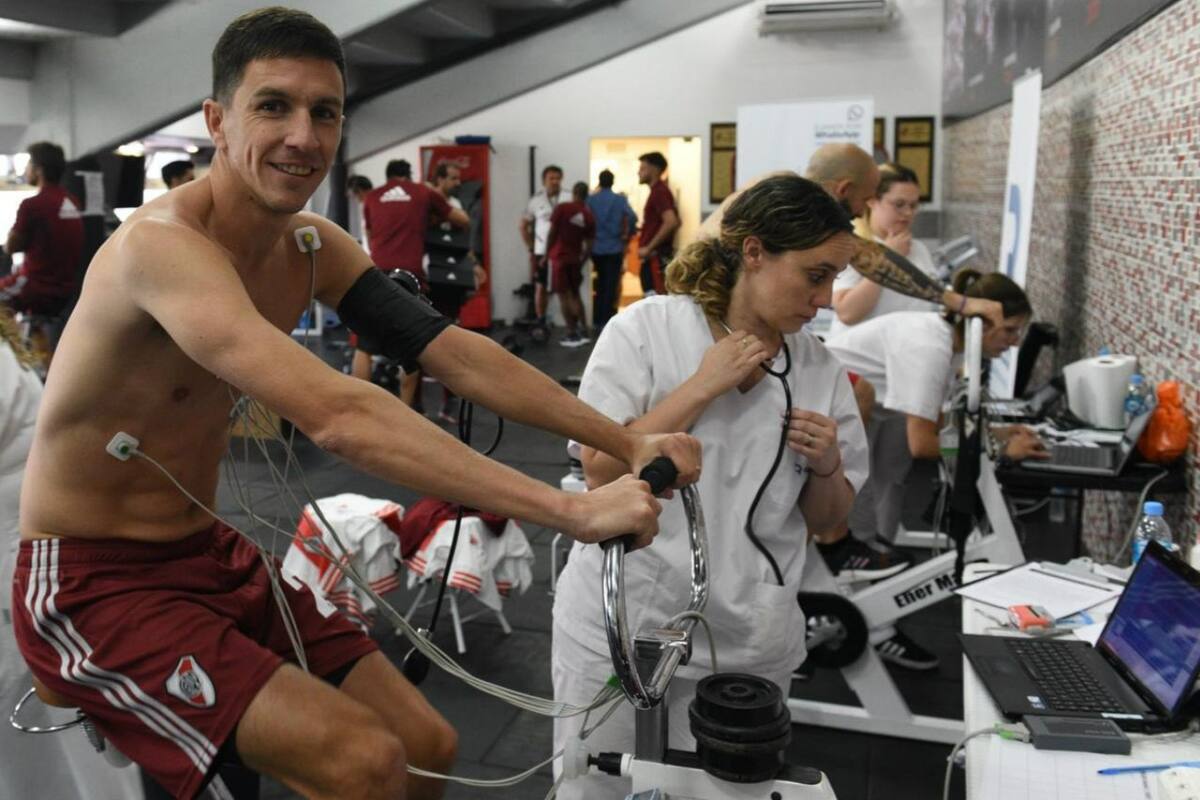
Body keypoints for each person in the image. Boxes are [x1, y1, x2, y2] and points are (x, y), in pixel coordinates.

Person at [10, 9, 700, 800]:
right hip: (93, 582)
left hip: (205, 552)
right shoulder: (159, 249)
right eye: (273, 106)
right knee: (362, 764)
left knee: (425, 745)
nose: (303, 135)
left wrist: (625, 436)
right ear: (215, 121)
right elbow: (339, 414)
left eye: (325, 112)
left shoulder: (311, 247)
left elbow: (454, 352)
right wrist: (568, 510)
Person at [552, 174, 869, 799]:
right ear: (754, 253)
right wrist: (702, 386)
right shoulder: (646, 330)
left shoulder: (817, 368)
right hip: (626, 625)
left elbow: (830, 520)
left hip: (752, 640)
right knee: (600, 790)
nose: (827, 298)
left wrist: (829, 463)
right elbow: (598, 469)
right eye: (815, 275)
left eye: (835, 278)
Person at [823, 269, 1044, 669]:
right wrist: (998, 447)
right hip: (835, 406)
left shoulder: (950, 343)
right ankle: (869, 622)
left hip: (868, 407)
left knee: (885, 493)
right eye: (1009, 331)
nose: (1013, 344)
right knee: (861, 510)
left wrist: (995, 432)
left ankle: (874, 613)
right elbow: (924, 443)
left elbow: (935, 421)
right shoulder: (929, 346)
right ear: (977, 322)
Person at [697, 144, 1003, 328]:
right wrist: (959, 303)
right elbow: (874, 261)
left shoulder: (792, 201)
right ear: (843, 190)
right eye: (864, 199)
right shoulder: (788, 199)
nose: (860, 212)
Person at [356, 158, 469, 402]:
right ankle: (407, 412)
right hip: (409, 275)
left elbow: (369, 234)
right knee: (410, 345)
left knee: (364, 346)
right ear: (408, 175)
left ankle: (359, 406)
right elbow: (463, 220)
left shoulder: (372, 197)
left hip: (375, 273)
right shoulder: (423, 192)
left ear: (388, 177)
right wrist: (434, 220)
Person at [829, 162, 939, 337]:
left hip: (907, 353)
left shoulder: (919, 249)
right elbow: (847, 313)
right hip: (860, 358)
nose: (908, 213)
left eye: (913, 205)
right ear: (872, 200)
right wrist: (888, 260)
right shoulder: (854, 246)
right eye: (899, 204)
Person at [0, 141, 85, 364]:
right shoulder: (71, 201)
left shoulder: (33, 205)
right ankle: (41, 364)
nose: (25, 170)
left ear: (38, 169)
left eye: (28, 164)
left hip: (35, 287)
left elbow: (11, 247)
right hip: (64, 289)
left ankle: (10, 365)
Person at [425, 160, 485, 424]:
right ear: (439, 179)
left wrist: (474, 265)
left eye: (459, 179)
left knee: (451, 335)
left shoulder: (456, 206)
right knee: (424, 340)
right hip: (428, 275)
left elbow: (463, 236)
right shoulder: (425, 201)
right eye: (453, 178)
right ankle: (414, 404)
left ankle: (449, 401)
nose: (458, 183)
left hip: (450, 278)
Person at [544, 181, 595, 347]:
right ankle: (584, 332)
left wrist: (546, 254)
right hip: (575, 260)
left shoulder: (562, 208)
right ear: (586, 196)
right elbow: (589, 246)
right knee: (575, 294)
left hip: (559, 259)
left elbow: (552, 233)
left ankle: (571, 333)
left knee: (563, 296)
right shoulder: (588, 215)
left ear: (574, 193)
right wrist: (581, 261)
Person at [586, 169, 637, 332]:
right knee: (611, 283)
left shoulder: (591, 200)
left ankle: (597, 318)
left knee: (599, 283)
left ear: (600, 181)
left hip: (597, 247)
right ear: (613, 182)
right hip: (615, 247)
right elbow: (632, 217)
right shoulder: (620, 200)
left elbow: (585, 219)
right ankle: (607, 321)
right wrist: (627, 234)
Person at [519, 165, 568, 326]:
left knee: (564, 289)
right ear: (544, 181)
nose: (554, 181)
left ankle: (570, 326)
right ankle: (541, 320)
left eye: (557, 178)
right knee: (540, 286)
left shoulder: (569, 198)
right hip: (541, 251)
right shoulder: (536, 200)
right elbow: (523, 225)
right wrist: (531, 248)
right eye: (551, 178)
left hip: (563, 251)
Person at [635, 151, 679, 296]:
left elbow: (671, 222)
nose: (638, 172)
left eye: (642, 168)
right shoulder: (657, 191)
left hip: (656, 259)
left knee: (656, 304)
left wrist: (649, 247)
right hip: (654, 259)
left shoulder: (660, 192)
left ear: (654, 169)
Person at [345, 173, 373, 245]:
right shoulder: (365, 205)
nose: (354, 199)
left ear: (359, 191)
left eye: (353, 196)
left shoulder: (372, 206)